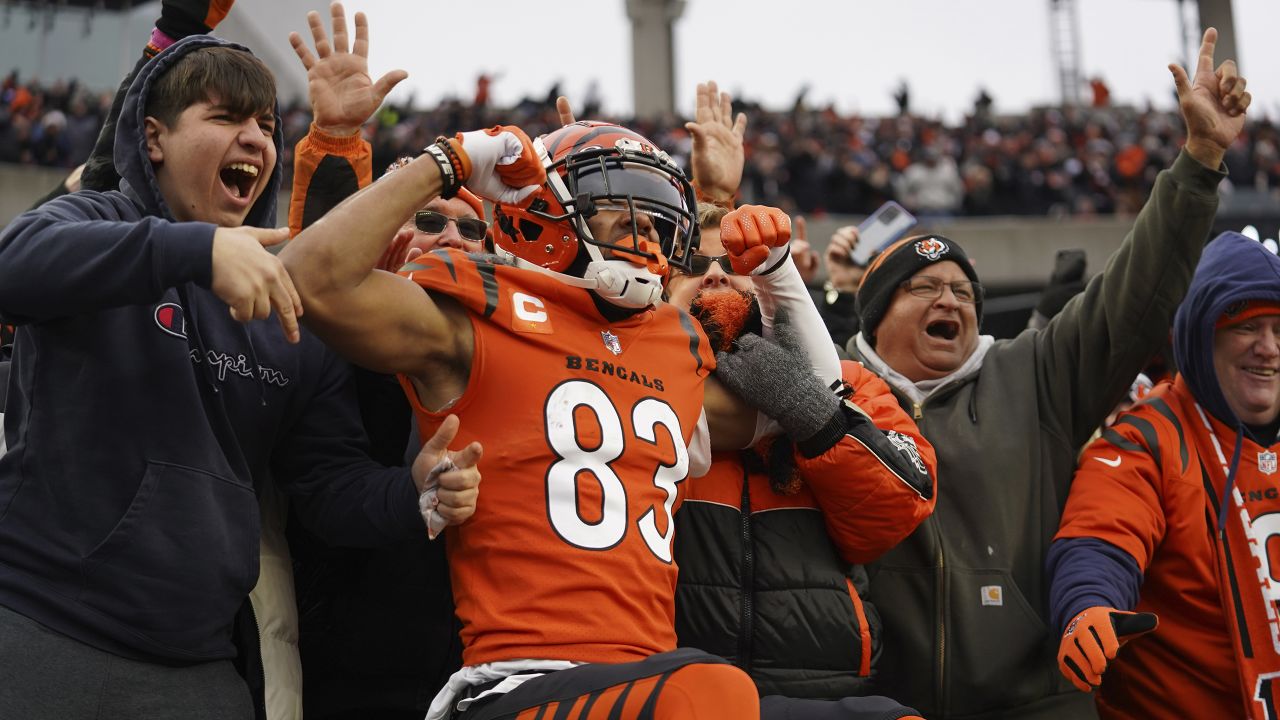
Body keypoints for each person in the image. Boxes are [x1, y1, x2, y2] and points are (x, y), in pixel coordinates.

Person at [0, 34, 481, 720]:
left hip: (196, 667)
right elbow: (13, 266)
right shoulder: (99, 218)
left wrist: (411, 493)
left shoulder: (284, 299)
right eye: (225, 118)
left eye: (264, 125)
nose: (254, 138)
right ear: (155, 138)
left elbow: (326, 485)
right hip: (39, 631)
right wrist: (195, 249)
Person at [842, 29, 1250, 719]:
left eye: (964, 292)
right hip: (888, 708)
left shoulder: (1031, 373)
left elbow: (1137, 292)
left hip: (1037, 704)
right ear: (878, 314)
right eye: (926, 288)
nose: (951, 300)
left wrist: (1200, 159)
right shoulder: (835, 394)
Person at [669, 203, 936, 719]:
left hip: (829, 688)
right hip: (676, 689)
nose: (718, 273)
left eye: (733, 263)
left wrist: (815, 412)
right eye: (693, 266)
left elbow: (898, 509)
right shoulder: (626, 387)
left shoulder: (849, 379)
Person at [1049, 231, 1280, 718]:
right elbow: (1100, 537)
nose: (1268, 348)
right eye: (1248, 327)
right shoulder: (1148, 439)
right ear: (1201, 332)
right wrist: (1088, 603)